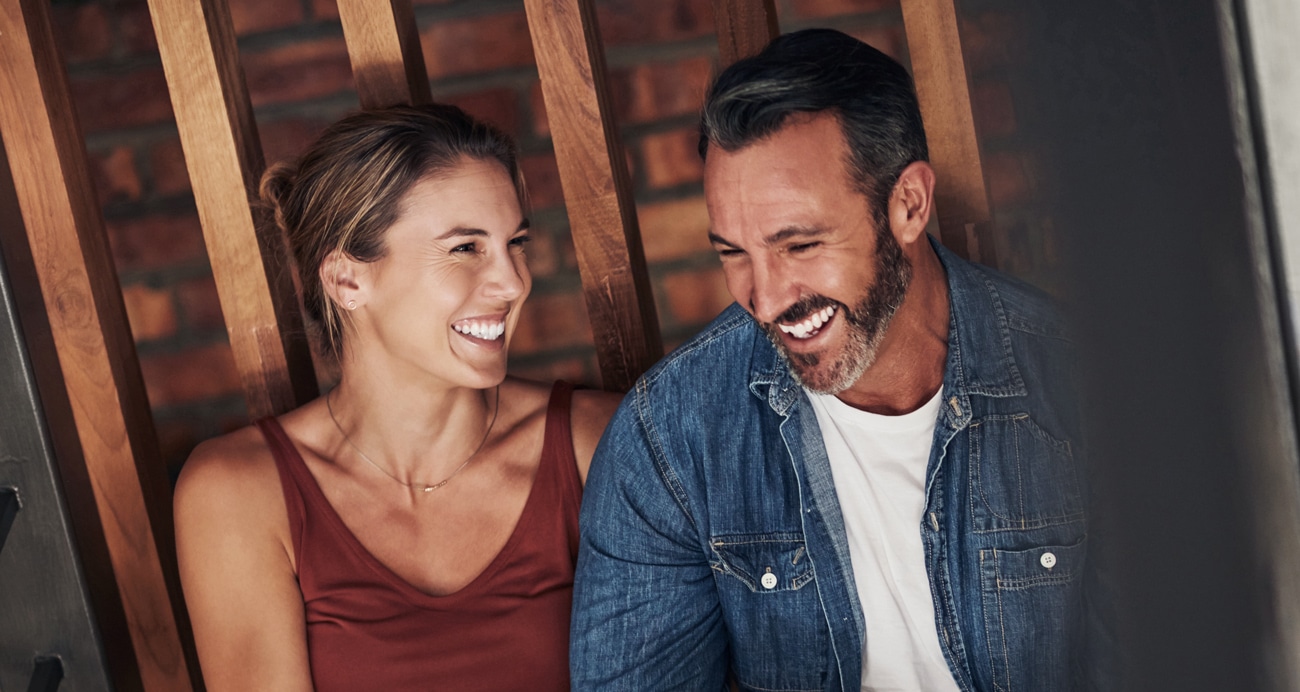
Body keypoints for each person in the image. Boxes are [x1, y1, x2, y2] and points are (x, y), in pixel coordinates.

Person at [571, 28, 1105, 691]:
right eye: (732, 252)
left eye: (798, 245)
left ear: (908, 204)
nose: (763, 299)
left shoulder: (1081, 383)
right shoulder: (671, 439)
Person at [174, 103, 621, 691]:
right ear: (347, 280)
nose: (513, 282)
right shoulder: (238, 494)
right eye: (466, 247)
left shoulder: (598, 445)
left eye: (516, 243)